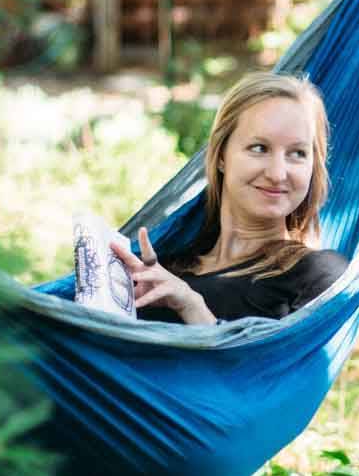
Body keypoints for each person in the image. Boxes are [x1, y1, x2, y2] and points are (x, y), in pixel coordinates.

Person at [112, 73, 347, 326]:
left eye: (297, 153)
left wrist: (191, 307)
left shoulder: (319, 275)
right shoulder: (162, 270)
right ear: (222, 154)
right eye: (259, 148)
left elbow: (282, 366)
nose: (278, 174)